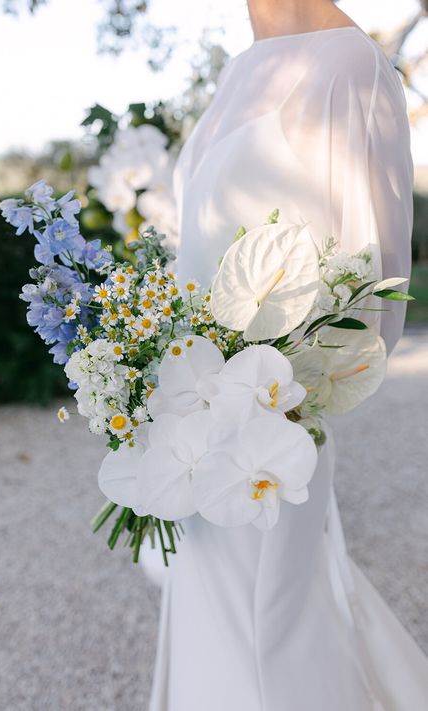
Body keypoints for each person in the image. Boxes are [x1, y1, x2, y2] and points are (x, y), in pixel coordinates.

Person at [145, 2, 428, 708]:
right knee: (210, 620)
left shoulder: (351, 66)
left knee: (280, 630)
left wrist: (286, 400)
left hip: (274, 419)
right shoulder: (236, 70)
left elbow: (375, 288)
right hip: (189, 409)